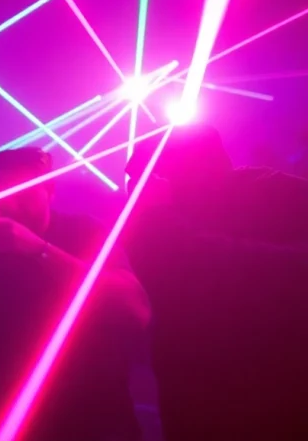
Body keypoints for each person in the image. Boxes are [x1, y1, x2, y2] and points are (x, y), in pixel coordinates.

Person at [0, 148, 149, 441]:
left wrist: (40, 249)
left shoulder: (83, 230)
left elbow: (137, 308)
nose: (11, 204)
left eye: (23, 193)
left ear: (49, 189)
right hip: (9, 409)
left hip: (93, 407)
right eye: (1, 194)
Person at [123, 124, 308, 441]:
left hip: (273, 386)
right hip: (205, 391)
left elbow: (214, 264)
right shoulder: (151, 224)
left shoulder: (262, 190)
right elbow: (195, 265)